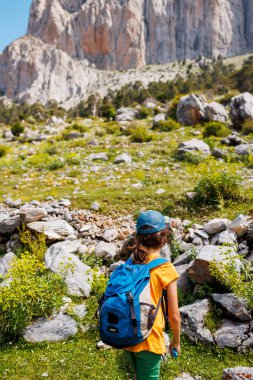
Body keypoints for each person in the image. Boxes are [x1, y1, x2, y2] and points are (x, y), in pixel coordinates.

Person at [124, 210, 181, 380]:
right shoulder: (165, 268)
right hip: (149, 338)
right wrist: (176, 341)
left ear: (138, 237)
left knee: (138, 374)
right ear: (164, 237)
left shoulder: (130, 262)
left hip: (127, 335)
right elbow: (174, 315)